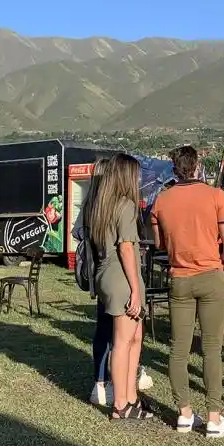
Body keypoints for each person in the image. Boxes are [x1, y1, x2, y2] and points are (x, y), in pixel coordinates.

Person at [151, 145, 224, 439]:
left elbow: (160, 243)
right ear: (198, 166)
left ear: (174, 169)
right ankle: (214, 417)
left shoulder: (162, 200)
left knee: (178, 348)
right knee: (211, 349)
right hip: (212, 276)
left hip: (180, 278)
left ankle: (184, 413)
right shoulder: (216, 196)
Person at [80, 159, 153, 408]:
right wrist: (136, 290)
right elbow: (126, 248)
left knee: (131, 337)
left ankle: (130, 397)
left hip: (105, 274)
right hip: (121, 277)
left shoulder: (99, 205)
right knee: (123, 342)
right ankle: (122, 402)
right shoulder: (125, 205)